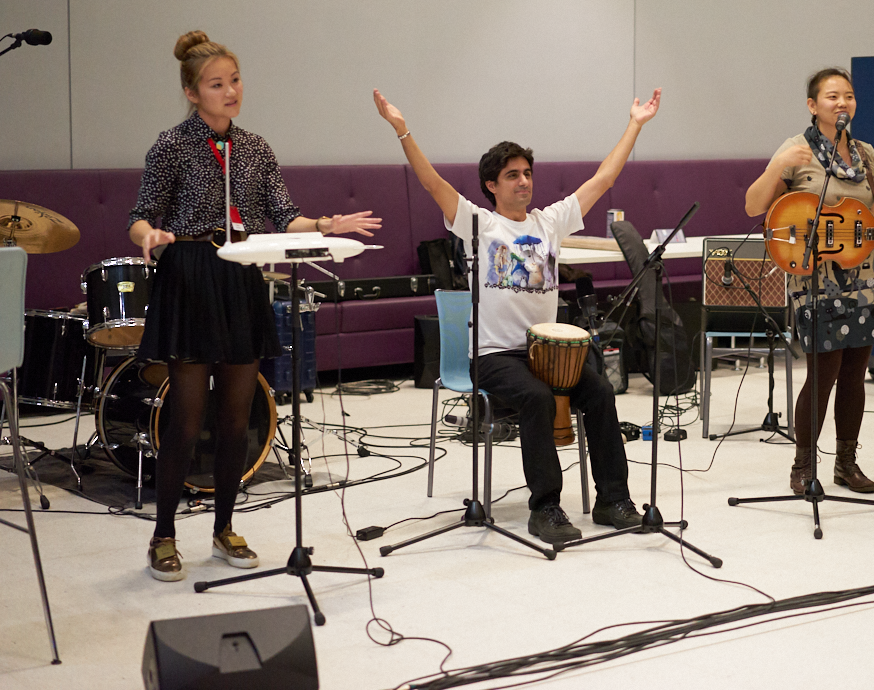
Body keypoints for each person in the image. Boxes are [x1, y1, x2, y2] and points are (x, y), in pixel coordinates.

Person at [129, 31, 381, 582]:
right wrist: (149, 234)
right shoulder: (170, 146)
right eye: (217, 84)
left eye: (235, 80)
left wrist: (324, 225)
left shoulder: (257, 148)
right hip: (191, 277)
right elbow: (141, 214)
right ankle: (163, 533)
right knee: (186, 417)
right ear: (192, 93)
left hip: (242, 276)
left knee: (236, 418)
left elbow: (282, 213)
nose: (230, 91)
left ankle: (223, 527)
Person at [374, 87, 661, 544]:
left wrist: (635, 124)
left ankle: (613, 499)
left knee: (602, 392)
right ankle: (545, 507)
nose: (523, 182)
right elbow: (432, 183)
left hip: (547, 353)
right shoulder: (479, 224)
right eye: (512, 176)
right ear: (492, 185)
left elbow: (603, 179)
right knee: (537, 399)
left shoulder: (550, 221)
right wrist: (402, 129)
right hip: (493, 356)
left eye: (527, 173)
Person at [744, 67, 874, 495]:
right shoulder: (795, 150)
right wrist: (776, 166)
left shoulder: (866, 154)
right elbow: (753, 206)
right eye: (832, 97)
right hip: (817, 281)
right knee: (823, 373)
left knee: (855, 374)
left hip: (868, 276)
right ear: (813, 106)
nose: (842, 103)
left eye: (848, 96)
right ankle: (802, 466)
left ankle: (846, 463)